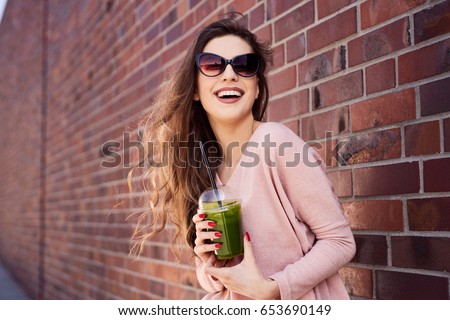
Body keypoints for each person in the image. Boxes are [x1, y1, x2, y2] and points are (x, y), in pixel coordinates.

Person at [129, 15, 356, 300]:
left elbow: (340, 241)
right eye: (212, 65)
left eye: (244, 65)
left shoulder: (275, 142)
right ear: (196, 90)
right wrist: (207, 261)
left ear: (257, 87)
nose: (229, 74)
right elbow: (218, 280)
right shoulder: (203, 166)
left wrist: (273, 288)